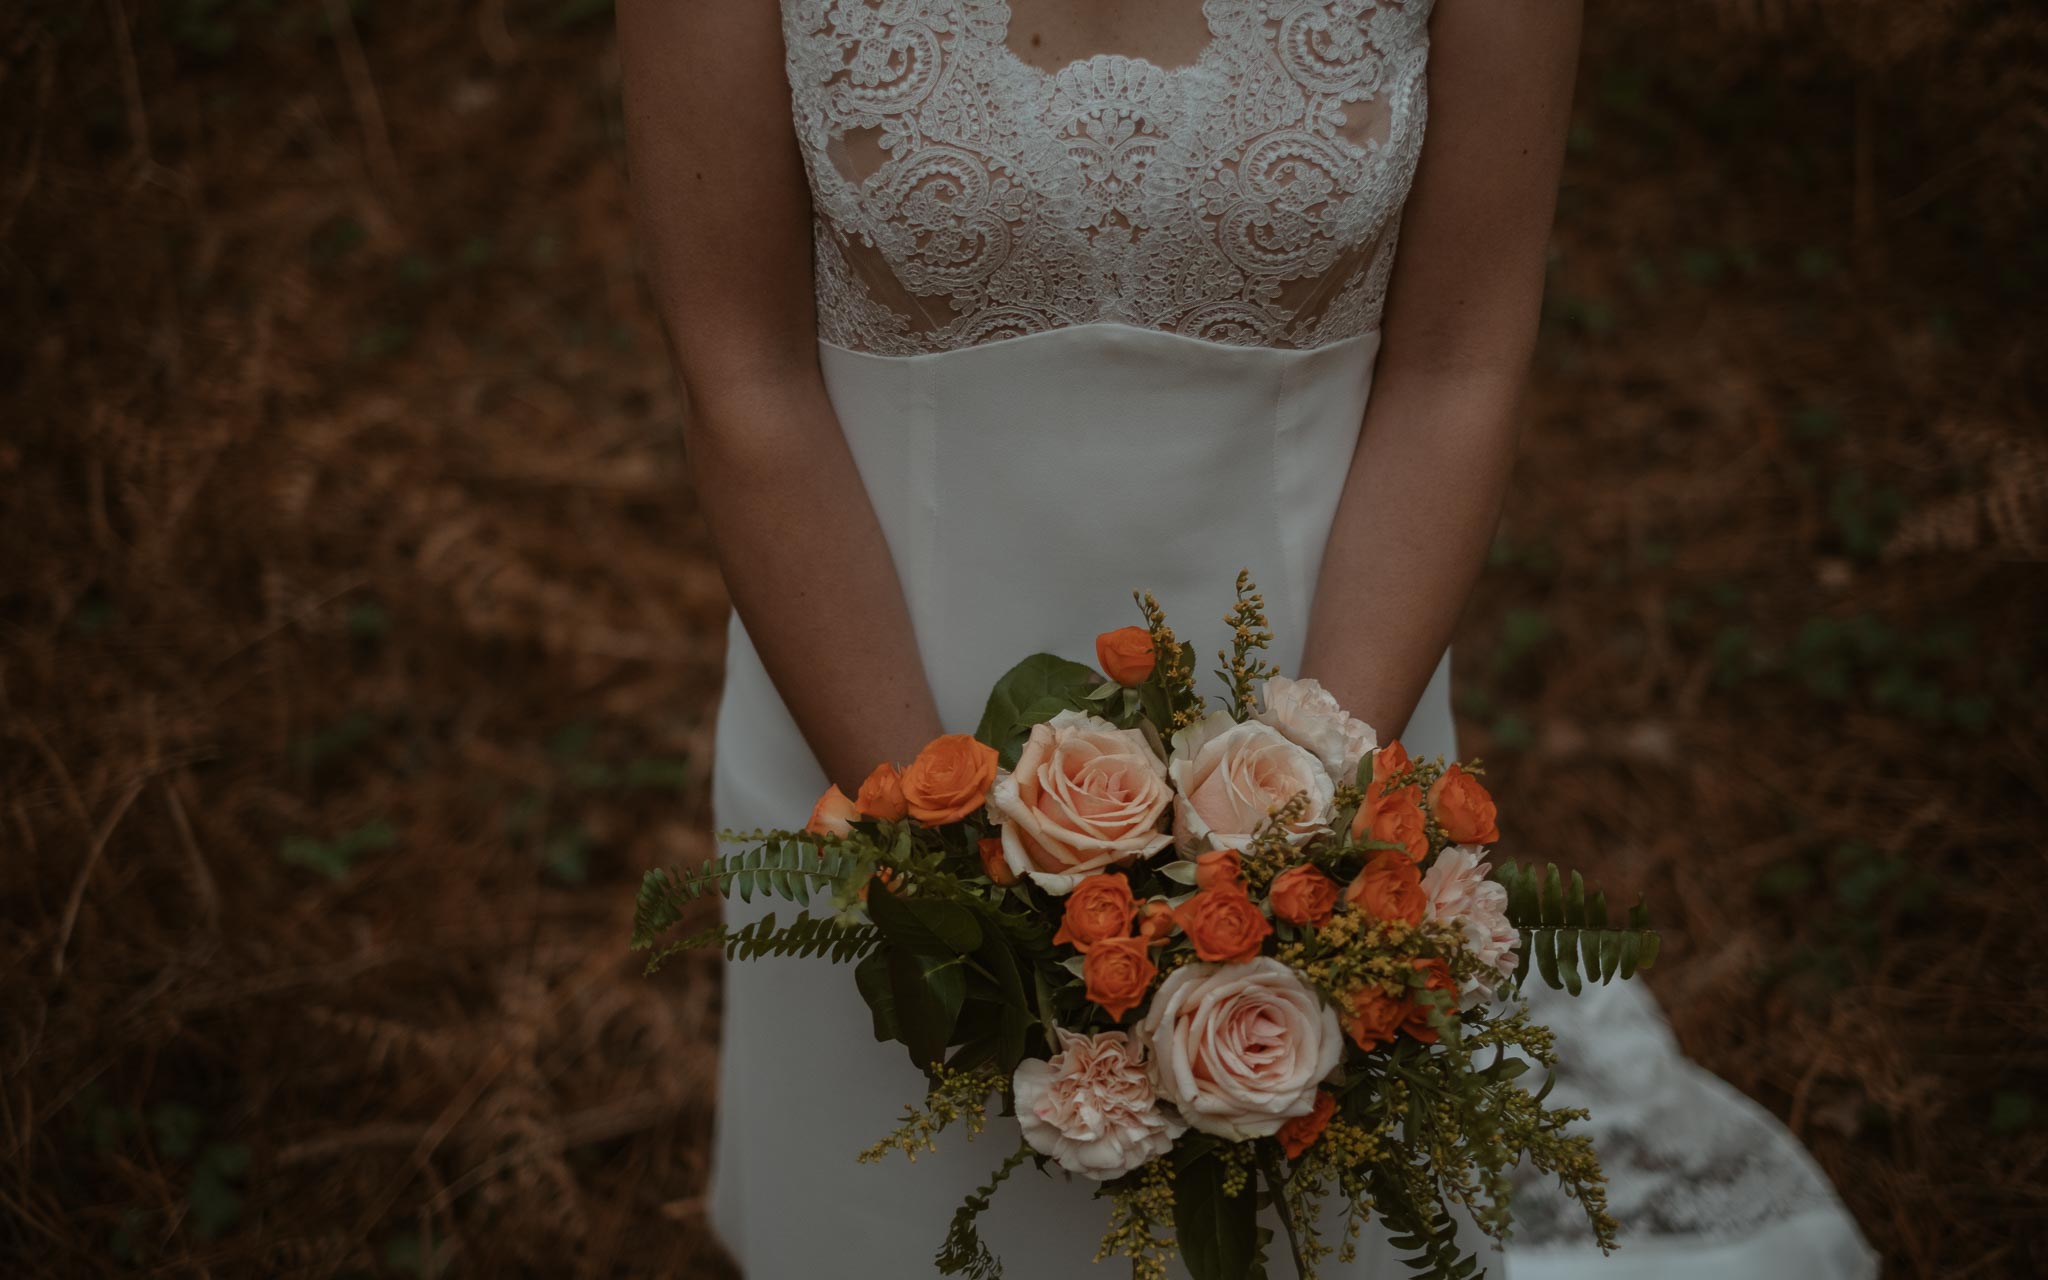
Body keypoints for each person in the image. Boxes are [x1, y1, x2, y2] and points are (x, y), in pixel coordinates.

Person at [619, 1, 1880, 1275]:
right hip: (870, 714)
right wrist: (943, 874)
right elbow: (744, 375)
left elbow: (1457, 363)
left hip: (1328, 707)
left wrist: (1305, 849)